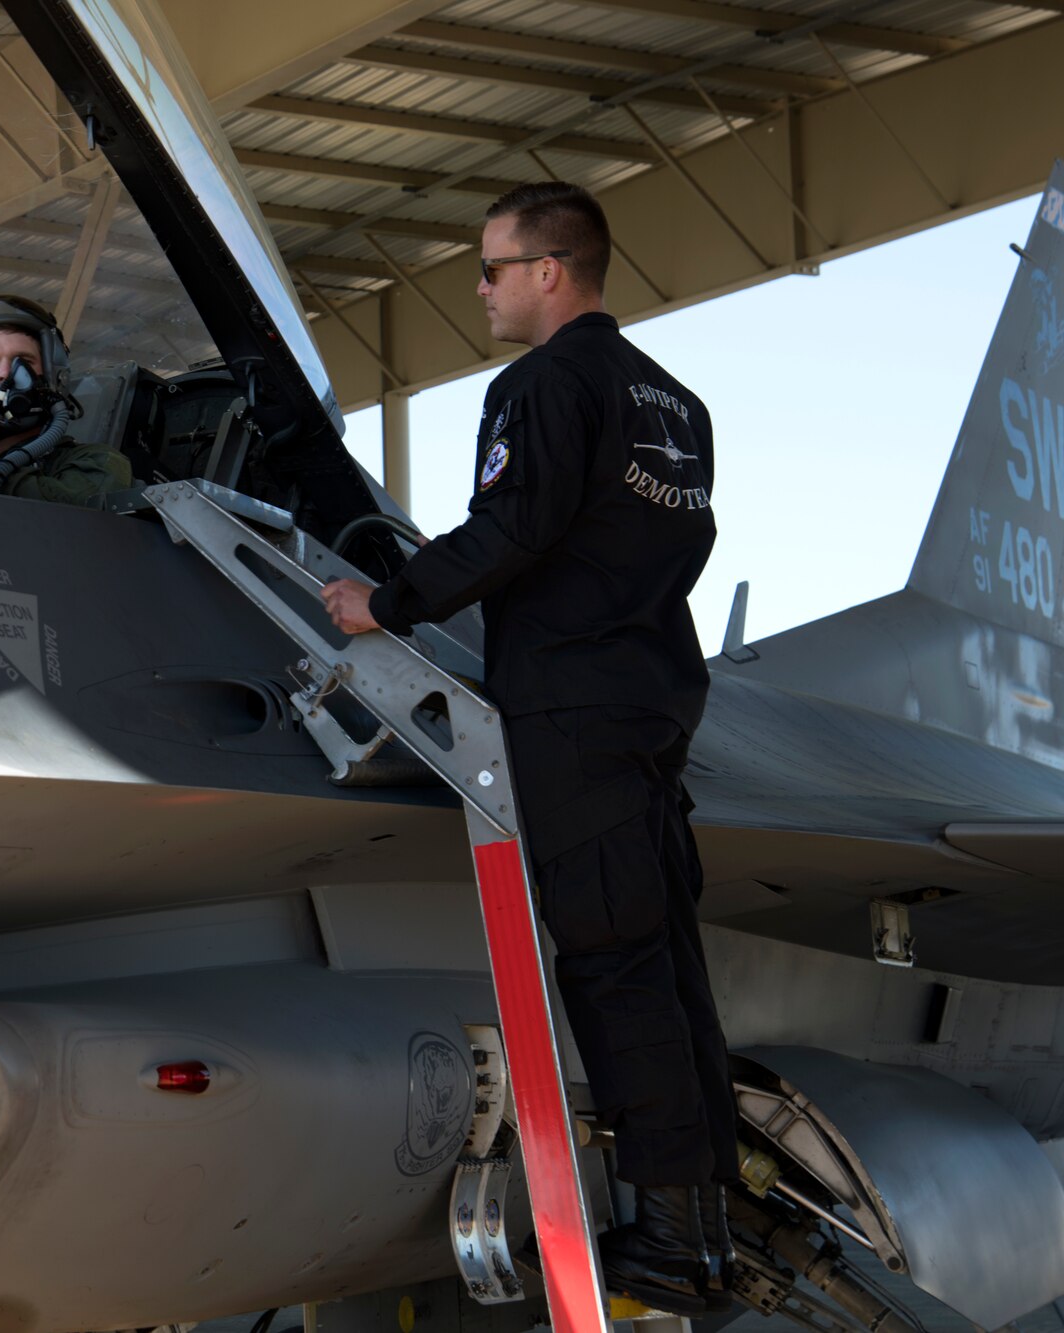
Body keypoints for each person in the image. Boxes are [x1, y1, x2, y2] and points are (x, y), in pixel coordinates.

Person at [320, 182, 737, 1316]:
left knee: (609, 964)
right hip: (654, 704)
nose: (481, 286)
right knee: (663, 964)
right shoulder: (676, 402)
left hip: (568, 710)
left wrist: (385, 601)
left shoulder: (542, 383)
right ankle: (705, 1222)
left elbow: (515, 527)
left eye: (493, 265)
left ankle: (665, 1233)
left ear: (550, 270)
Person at [0, 295, 131, 505]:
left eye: (23, 360)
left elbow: (63, 522)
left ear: (52, 375)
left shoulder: (98, 463)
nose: (5, 373)